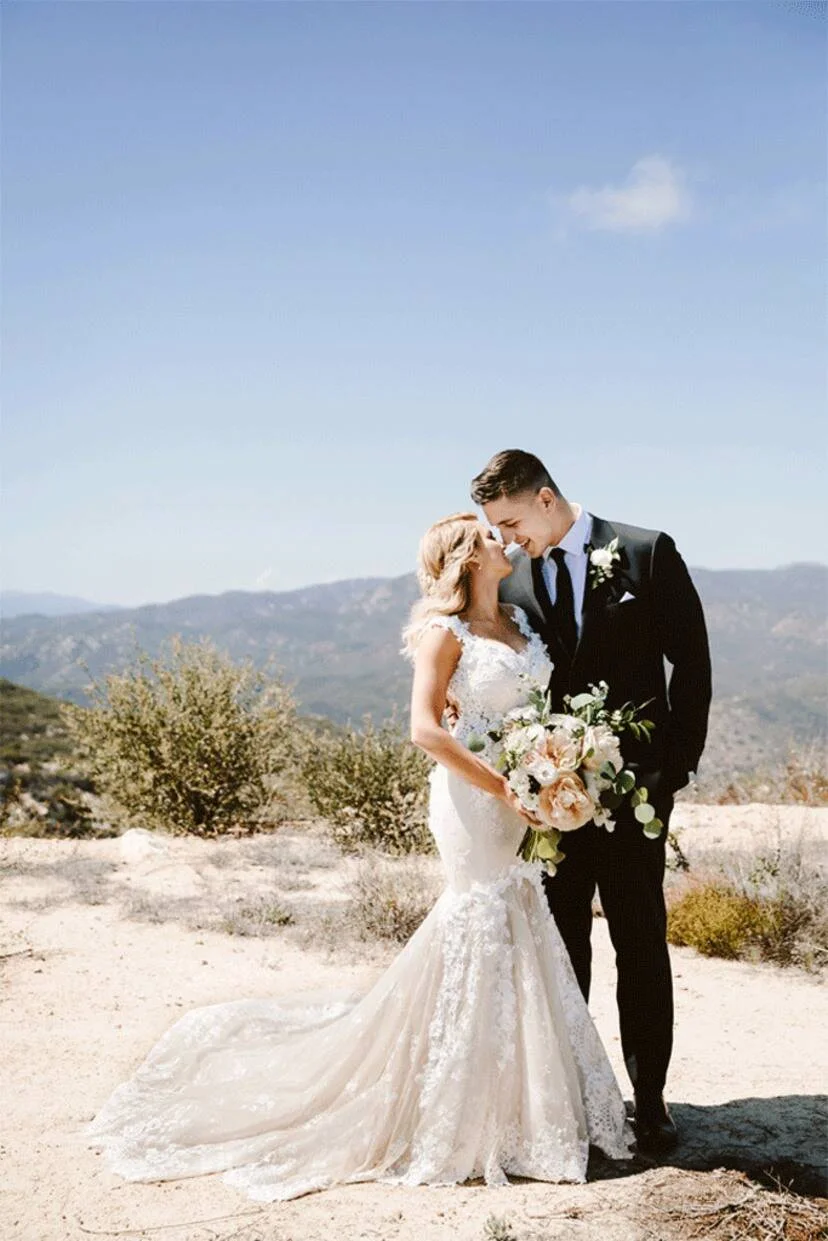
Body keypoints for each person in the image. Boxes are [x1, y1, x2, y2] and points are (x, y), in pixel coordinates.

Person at [78, 511, 633, 1203]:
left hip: (522, 795)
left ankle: (522, 1105)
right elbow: (425, 728)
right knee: (480, 916)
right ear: (466, 557)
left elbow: (531, 713)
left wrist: (552, 767)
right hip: (472, 797)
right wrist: (503, 783)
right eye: (491, 537)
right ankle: (457, 1109)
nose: (506, 541)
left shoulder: (522, 625)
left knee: (518, 915)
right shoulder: (444, 632)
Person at [471, 449, 712, 1153]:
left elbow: (691, 661)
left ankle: (651, 1098)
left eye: (512, 520)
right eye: (498, 528)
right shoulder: (516, 581)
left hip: (637, 791)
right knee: (562, 941)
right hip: (550, 801)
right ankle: (576, 1092)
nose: (508, 539)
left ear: (546, 498)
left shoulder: (644, 552)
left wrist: (673, 772)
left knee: (640, 939)